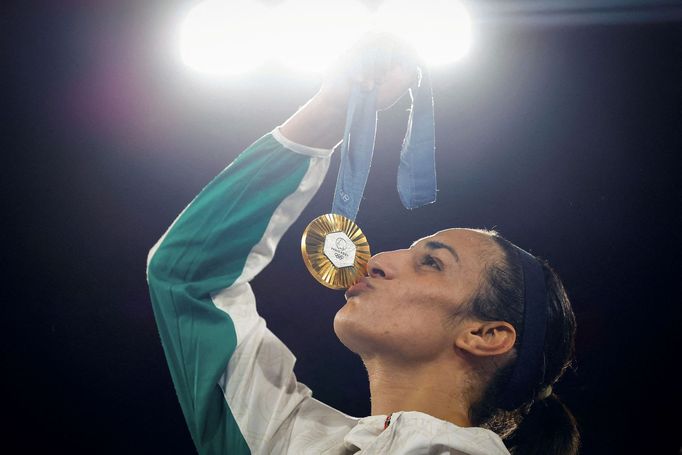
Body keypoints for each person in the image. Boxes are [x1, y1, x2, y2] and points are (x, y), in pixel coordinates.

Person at [147, 41, 580, 455]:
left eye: (431, 262)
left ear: (485, 336)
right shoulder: (289, 442)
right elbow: (188, 277)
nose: (376, 261)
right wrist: (331, 112)